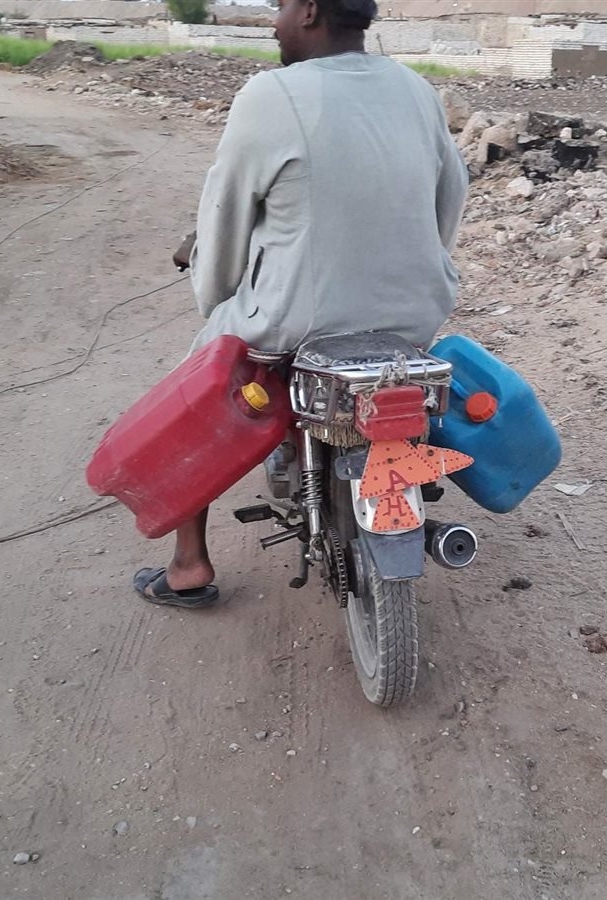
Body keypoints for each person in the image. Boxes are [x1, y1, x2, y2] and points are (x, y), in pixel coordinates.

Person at [136, 0, 468, 609]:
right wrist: (430, 270)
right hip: (412, 314)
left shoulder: (272, 95)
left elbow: (226, 214)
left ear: (310, 10)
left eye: (281, 6)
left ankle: (188, 565)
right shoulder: (416, 90)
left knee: (195, 392)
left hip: (296, 322)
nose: (274, 20)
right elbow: (452, 192)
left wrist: (215, 304)